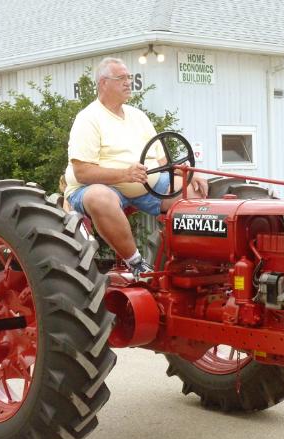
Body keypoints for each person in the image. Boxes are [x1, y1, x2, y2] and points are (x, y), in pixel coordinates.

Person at [64, 57, 208, 278]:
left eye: (129, 78)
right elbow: (82, 172)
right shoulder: (88, 119)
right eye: (121, 78)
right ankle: (136, 263)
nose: (128, 82)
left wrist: (190, 173)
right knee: (100, 198)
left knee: (195, 193)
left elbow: (162, 163)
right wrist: (124, 174)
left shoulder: (138, 117)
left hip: (146, 185)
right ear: (103, 83)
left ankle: (183, 261)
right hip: (99, 187)